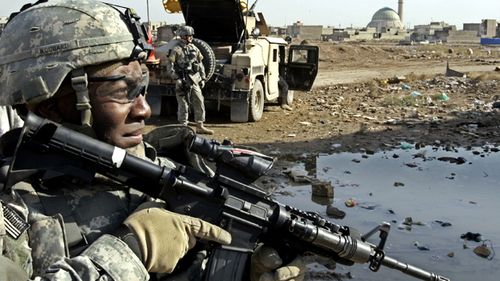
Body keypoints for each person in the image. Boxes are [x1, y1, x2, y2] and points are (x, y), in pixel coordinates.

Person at [0, 1, 304, 280]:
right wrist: (130, 251)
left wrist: (238, 273)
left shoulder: (157, 172)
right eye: (123, 91)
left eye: (143, 86)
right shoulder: (13, 214)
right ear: (50, 107)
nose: (145, 109)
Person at [166, 25, 214, 135]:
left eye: (191, 36)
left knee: (199, 101)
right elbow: (170, 66)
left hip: (194, 80)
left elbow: (200, 63)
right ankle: (183, 127)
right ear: (183, 36)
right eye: (188, 36)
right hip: (182, 80)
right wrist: (176, 79)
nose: (191, 38)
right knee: (183, 104)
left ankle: (200, 125)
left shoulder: (194, 48)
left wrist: (202, 78)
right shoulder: (176, 50)